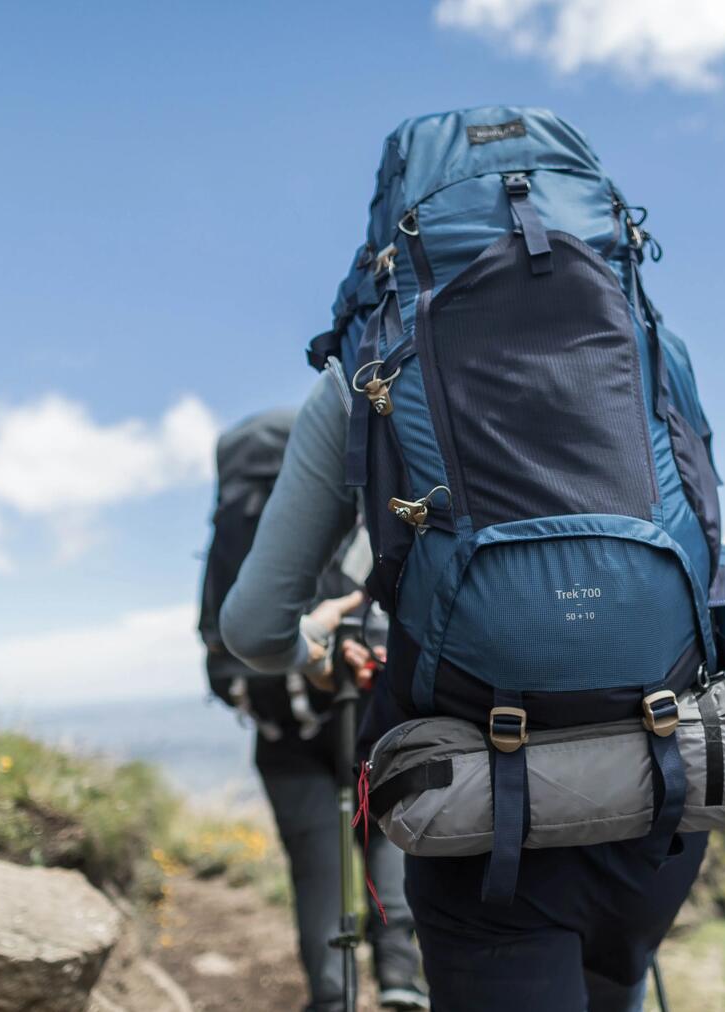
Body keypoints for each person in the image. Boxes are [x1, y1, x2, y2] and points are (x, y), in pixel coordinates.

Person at [220, 374, 705, 1010]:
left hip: (472, 797)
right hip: (656, 773)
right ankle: (397, 981)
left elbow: (252, 628)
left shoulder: (362, 375)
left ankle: (347, 994)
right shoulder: (647, 339)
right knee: (615, 982)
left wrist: (308, 649)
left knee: (328, 868)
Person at [200, 410, 428, 1012]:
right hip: (371, 720)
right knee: (391, 847)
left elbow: (220, 644)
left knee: (317, 873)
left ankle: (333, 997)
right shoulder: (349, 512)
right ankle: (402, 981)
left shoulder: (234, 534)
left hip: (283, 730)